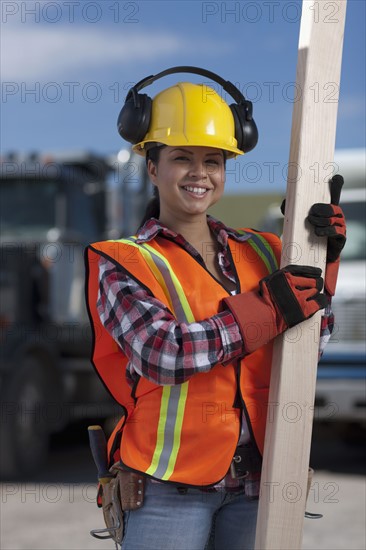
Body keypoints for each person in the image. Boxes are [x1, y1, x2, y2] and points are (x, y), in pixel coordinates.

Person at [85, 68, 346, 550]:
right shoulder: (123, 261)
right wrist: (268, 309)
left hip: (259, 484)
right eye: (182, 158)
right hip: (169, 490)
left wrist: (320, 265)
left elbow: (313, 347)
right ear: (152, 167)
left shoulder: (268, 252)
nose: (199, 173)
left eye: (213, 161)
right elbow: (165, 355)